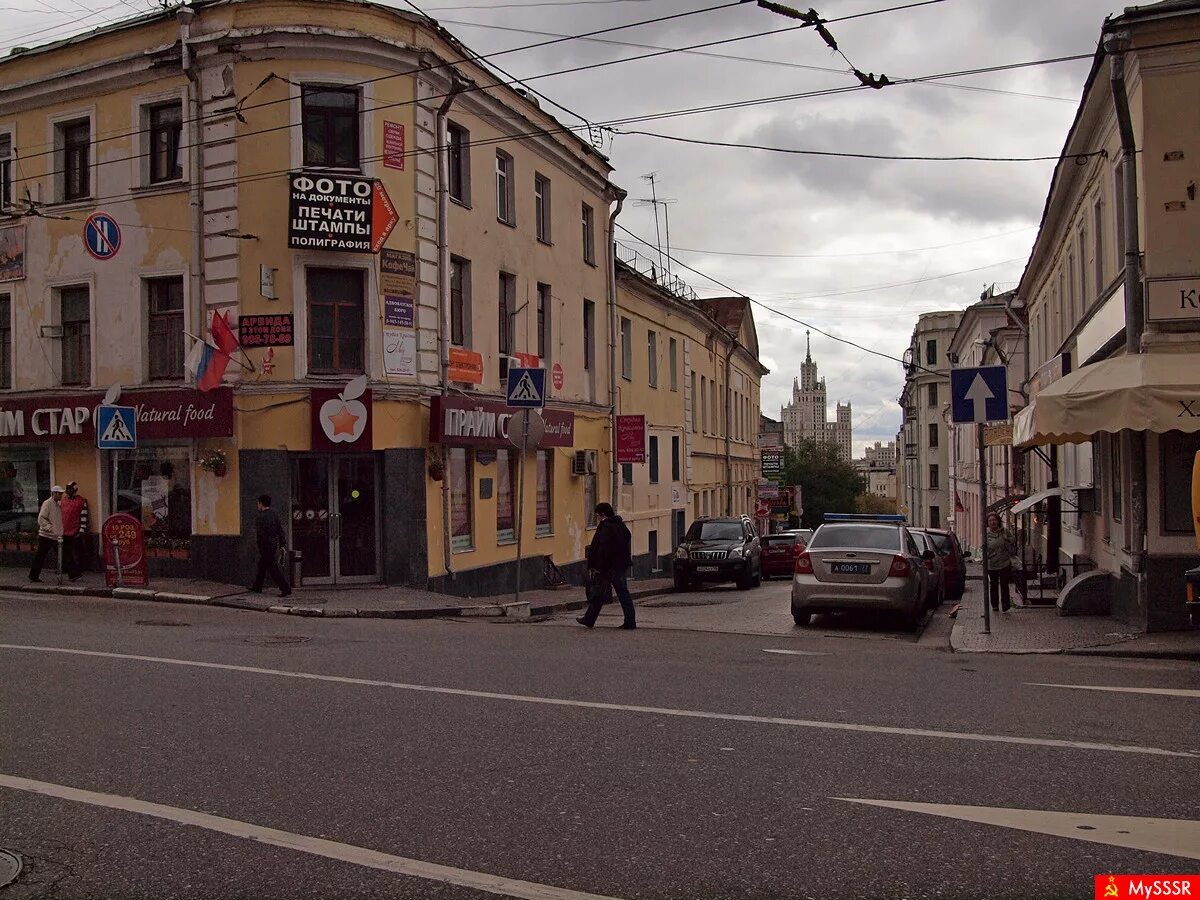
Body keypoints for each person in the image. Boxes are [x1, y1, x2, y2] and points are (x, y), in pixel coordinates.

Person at [578, 502, 635, 629]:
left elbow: (603, 548)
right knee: (620, 593)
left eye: (598, 515)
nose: (597, 518)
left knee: (600, 592)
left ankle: (589, 619)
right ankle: (629, 621)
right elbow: (627, 537)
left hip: (607, 567)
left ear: (603, 514)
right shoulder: (620, 524)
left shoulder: (606, 527)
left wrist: (598, 566)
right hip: (620, 565)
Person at [250, 494, 291, 596]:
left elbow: (260, 535)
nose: (257, 505)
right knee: (262, 565)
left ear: (261, 504)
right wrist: (282, 544)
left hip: (265, 546)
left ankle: (285, 589)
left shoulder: (260, 517)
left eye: (258, 503)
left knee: (273, 569)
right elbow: (280, 531)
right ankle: (257, 586)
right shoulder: (274, 515)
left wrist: (260, 547)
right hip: (273, 545)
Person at [29, 485, 64, 583]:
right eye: (59, 493)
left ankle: (72, 574)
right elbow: (41, 518)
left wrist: (58, 531)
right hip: (46, 536)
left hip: (55, 536)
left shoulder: (57, 505)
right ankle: (33, 575)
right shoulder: (47, 503)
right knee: (40, 556)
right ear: (54, 493)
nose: (61, 495)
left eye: (61, 494)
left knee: (62, 555)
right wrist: (50, 528)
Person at [984, 512, 1016, 613]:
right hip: (992, 563)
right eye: (990, 521)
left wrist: (1007, 539)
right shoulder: (986, 534)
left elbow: (1013, 540)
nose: (992, 522)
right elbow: (983, 548)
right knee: (993, 585)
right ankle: (995, 605)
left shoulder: (1004, 531)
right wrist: (987, 555)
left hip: (1004, 562)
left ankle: (1005, 605)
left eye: (994, 520)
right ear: (987, 523)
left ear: (998, 521)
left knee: (1004, 584)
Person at [59, 481, 88, 581]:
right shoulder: (63, 501)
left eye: (70, 489)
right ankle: (68, 570)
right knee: (65, 552)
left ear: (75, 490)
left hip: (75, 531)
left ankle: (76, 571)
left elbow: (84, 516)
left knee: (74, 553)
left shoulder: (81, 501)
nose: (68, 491)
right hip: (63, 530)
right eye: (67, 489)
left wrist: (81, 530)